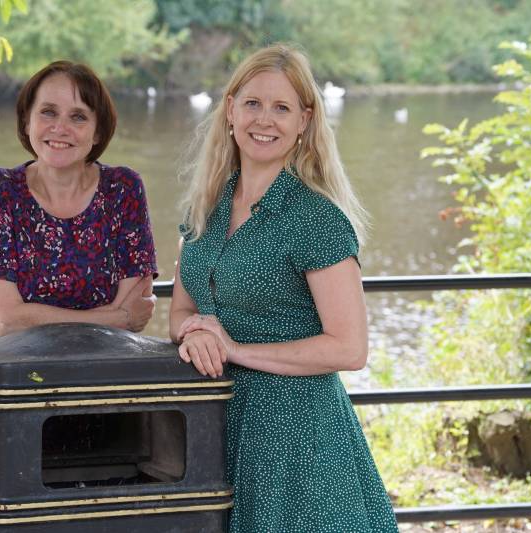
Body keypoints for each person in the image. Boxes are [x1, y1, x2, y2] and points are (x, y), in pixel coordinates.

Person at [169, 44, 398, 532]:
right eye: (253, 103)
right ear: (230, 110)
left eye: (282, 108)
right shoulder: (202, 210)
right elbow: (181, 311)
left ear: (305, 121)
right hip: (213, 431)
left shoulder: (316, 220)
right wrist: (195, 335)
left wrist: (233, 348)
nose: (264, 120)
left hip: (297, 442)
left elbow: (350, 348)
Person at [0, 61, 157, 338]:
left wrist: (24, 314)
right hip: (10, 369)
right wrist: (114, 318)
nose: (60, 128)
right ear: (26, 121)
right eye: (48, 112)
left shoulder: (123, 190)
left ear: (98, 131)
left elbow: (136, 310)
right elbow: (6, 323)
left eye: (78, 116)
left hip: (98, 368)